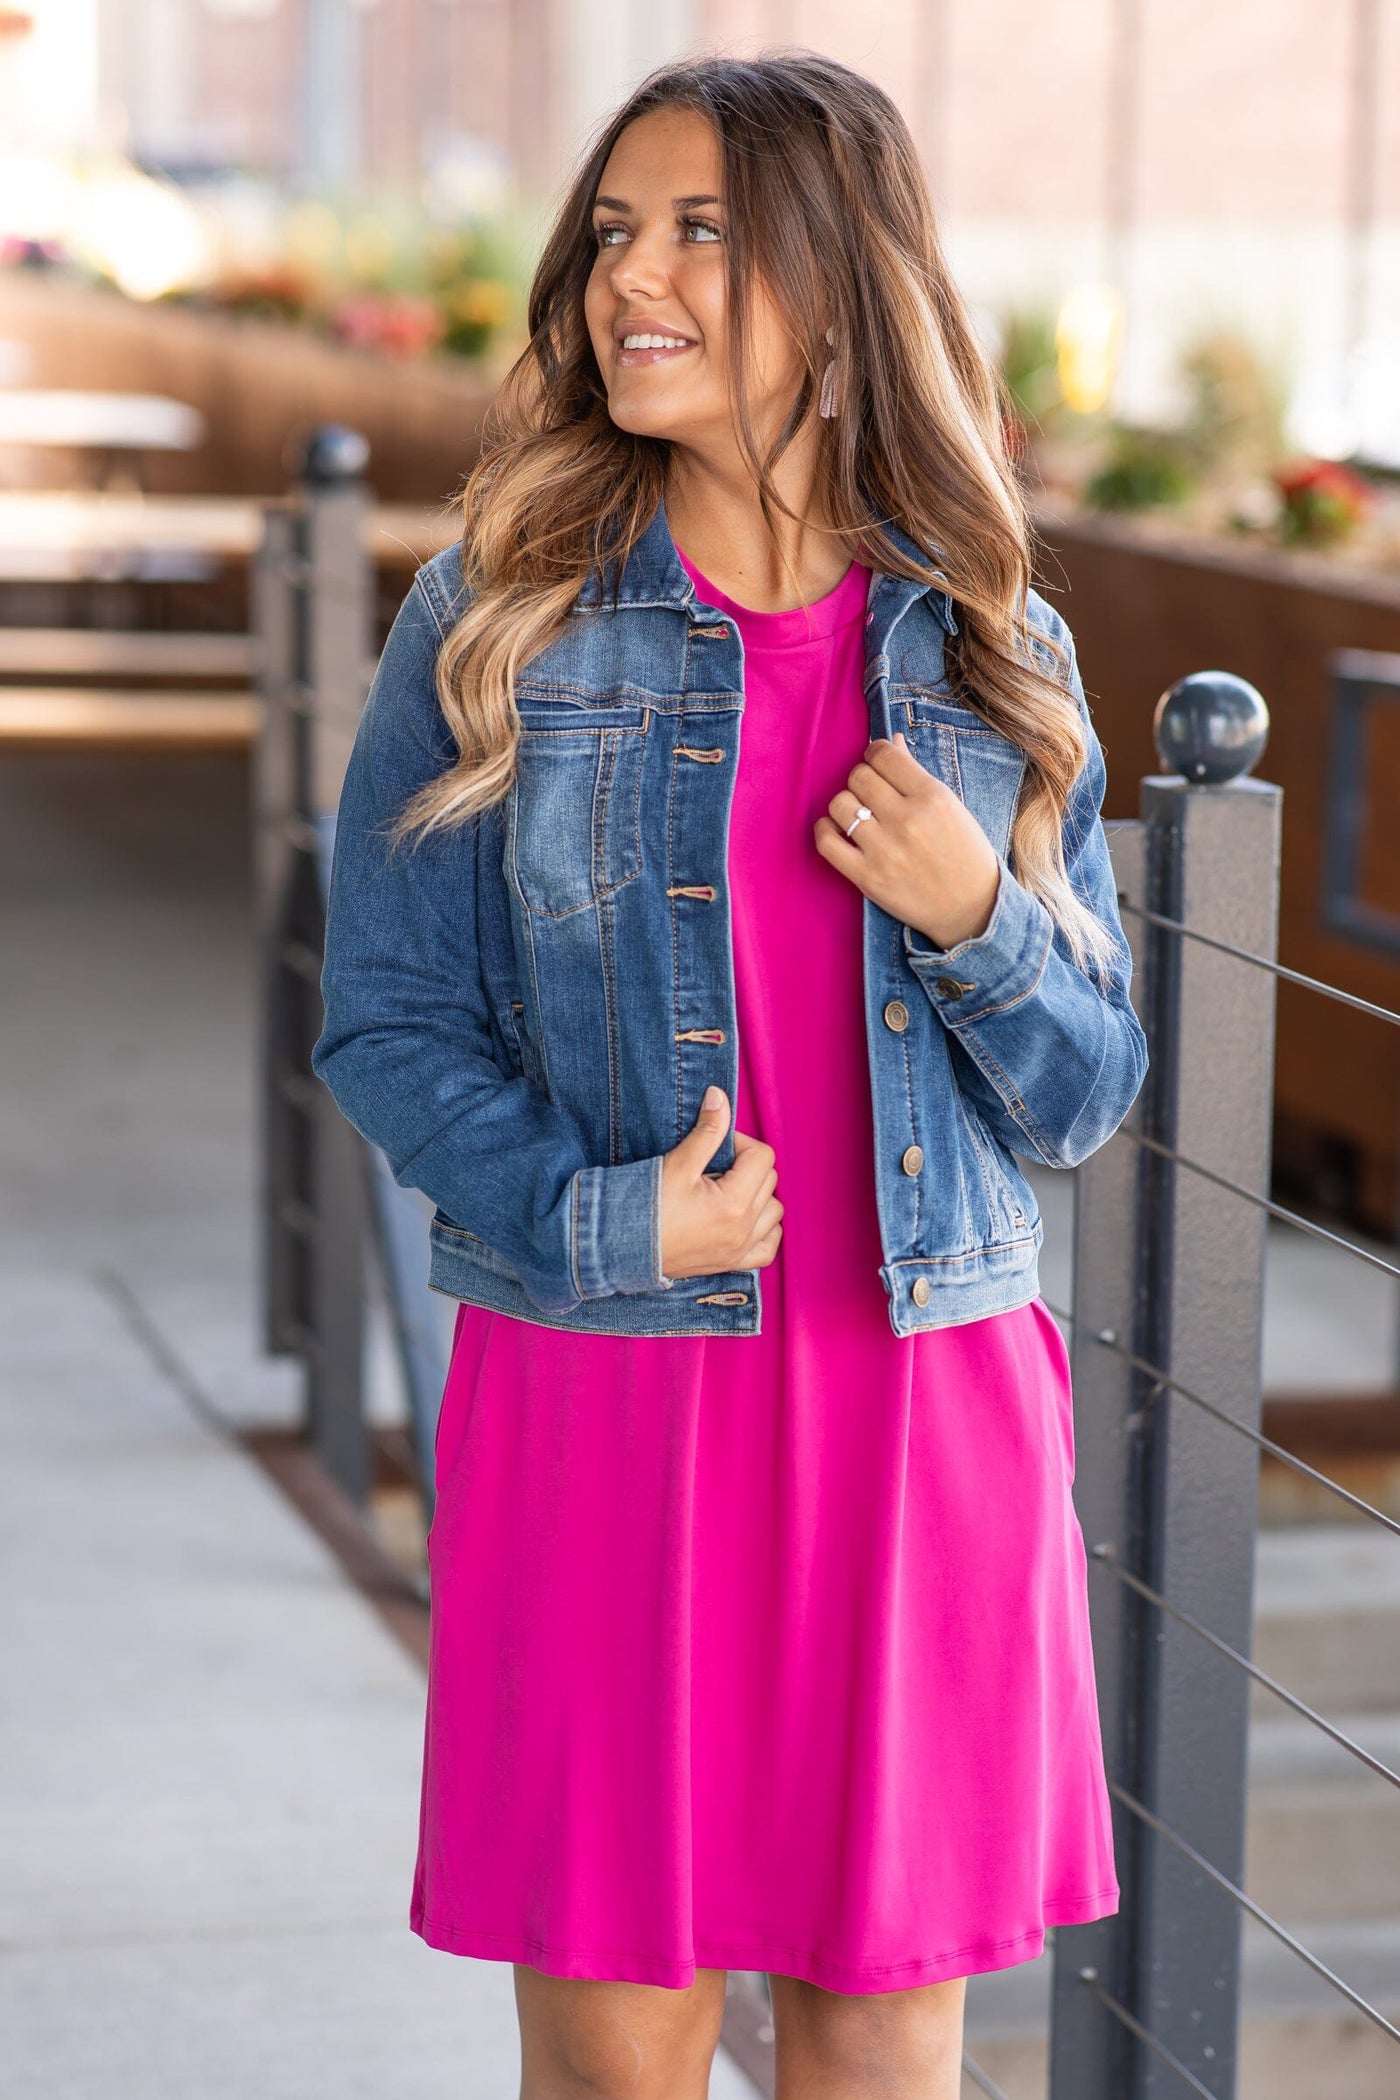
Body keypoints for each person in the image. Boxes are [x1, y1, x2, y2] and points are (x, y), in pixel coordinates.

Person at [313, 47, 1148, 2100]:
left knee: (881, 2054)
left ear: (836, 285)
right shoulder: (492, 623)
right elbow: (385, 1021)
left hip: (914, 1416)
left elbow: (1087, 1091)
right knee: (616, 2058)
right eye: (612, 231)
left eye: (699, 232)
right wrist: (608, 1215)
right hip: (607, 1402)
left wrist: (978, 917)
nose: (630, 279)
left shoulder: (988, 657)